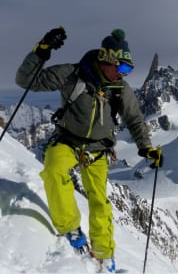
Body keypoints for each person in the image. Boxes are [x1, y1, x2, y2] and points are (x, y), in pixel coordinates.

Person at [15, 27, 163, 273]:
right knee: (54, 172)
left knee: (99, 203)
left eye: (128, 69)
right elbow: (26, 80)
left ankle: (105, 255)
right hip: (67, 141)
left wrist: (146, 148)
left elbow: (135, 120)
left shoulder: (120, 89)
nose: (124, 74)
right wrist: (41, 51)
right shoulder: (71, 75)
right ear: (107, 60)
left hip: (98, 149)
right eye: (123, 68)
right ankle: (70, 229)